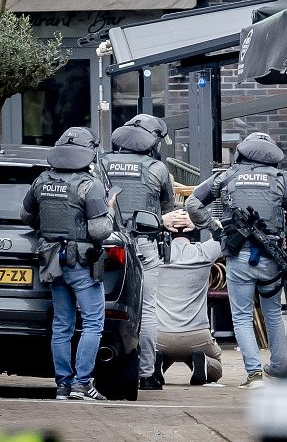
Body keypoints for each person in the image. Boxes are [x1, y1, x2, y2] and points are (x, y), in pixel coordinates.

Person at [185, 132, 287, 389]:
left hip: (238, 257)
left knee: (240, 316)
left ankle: (254, 375)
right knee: (273, 311)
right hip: (272, 258)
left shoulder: (226, 176)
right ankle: (278, 369)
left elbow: (193, 202)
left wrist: (214, 228)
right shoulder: (281, 179)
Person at [20, 127, 115, 401]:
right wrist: (108, 208)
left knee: (62, 323)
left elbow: (25, 215)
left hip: (51, 260)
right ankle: (82, 384)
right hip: (81, 262)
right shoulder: (90, 184)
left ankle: (63, 384)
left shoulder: (41, 181)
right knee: (93, 323)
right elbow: (99, 232)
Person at [100, 114, 176, 390]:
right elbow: (168, 210)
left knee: (101, 307)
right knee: (146, 309)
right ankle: (146, 374)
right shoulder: (158, 169)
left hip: (108, 246)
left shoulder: (103, 163)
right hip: (144, 246)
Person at [154, 209, 224, 386]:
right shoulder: (205, 253)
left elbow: (131, 237)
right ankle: (203, 363)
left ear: (167, 231)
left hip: (159, 334)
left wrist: (161, 220)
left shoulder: (155, 254)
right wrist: (202, 220)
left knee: (149, 358)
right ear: (195, 231)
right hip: (197, 335)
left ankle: (157, 363)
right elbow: (226, 233)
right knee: (217, 366)